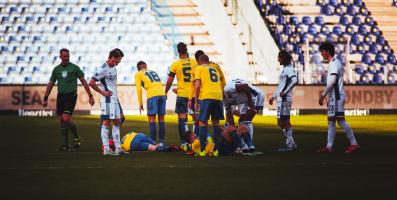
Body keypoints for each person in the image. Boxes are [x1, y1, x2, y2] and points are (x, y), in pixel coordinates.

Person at [43, 48, 95, 151]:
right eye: (64, 56)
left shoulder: (74, 68)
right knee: (62, 121)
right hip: (60, 96)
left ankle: (76, 137)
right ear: (60, 57)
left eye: (68, 56)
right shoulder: (56, 69)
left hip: (71, 96)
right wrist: (45, 97)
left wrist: (90, 96)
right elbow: (51, 84)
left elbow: (84, 82)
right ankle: (66, 144)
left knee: (66, 119)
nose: (67, 58)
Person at [317, 42, 360, 153]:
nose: (321, 54)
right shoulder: (334, 63)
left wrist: (323, 95)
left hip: (336, 96)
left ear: (327, 51)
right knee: (331, 121)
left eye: (322, 51)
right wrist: (329, 98)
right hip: (334, 97)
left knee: (340, 121)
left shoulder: (334, 63)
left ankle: (354, 144)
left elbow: (332, 81)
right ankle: (329, 146)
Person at [89, 49, 123, 156]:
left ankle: (117, 149)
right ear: (109, 57)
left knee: (117, 121)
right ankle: (107, 149)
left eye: (118, 61)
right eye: (115, 61)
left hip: (114, 98)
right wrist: (103, 92)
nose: (116, 63)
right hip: (107, 100)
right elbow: (91, 82)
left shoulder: (114, 68)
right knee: (106, 122)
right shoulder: (102, 69)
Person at [164, 42, 198, 151]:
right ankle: (197, 141)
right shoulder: (194, 62)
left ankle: (184, 143)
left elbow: (169, 80)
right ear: (186, 50)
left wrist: (165, 92)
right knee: (196, 118)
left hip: (182, 95)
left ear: (178, 52)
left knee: (182, 119)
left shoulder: (175, 64)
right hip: (194, 95)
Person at [194, 54, 224, 157]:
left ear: (199, 61)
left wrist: (196, 101)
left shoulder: (199, 68)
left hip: (207, 96)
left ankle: (202, 150)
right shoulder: (214, 68)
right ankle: (216, 150)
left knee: (202, 122)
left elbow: (197, 86)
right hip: (218, 96)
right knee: (216, 123)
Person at [223, 78, 265, 152]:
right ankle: (244, 145)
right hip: (247, 100)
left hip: (256, 95)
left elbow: (245, 86)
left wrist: (250, 102)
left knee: (245, 120)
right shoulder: (225, 101)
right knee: (242, 121)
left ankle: (248, 146)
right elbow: (229, 117)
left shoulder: (227, 89)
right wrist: (233, 132)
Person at [269, 50, 298, 152]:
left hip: (285, 99)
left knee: (282, 121)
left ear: (283, 58)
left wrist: (285, 92)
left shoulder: (289, 69)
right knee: (283, 121)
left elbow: (295, 80)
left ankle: (290, 144)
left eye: (279, 58)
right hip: (282, 99)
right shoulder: (285, 69)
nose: (278, 60)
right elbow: (280, 85)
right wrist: (273, 96)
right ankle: (291, 143)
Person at [135, 61, 167, 146]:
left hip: (152, 95)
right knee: (161, 119)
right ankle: (161, 142)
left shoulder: (138, 74)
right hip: (162, 94)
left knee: (152, 119)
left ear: (138, 68)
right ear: (146, 66)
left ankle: (153, 142)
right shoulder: (153, 71)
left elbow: (139, 89)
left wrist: (140, 103)